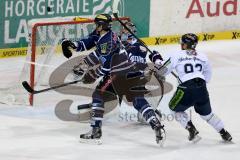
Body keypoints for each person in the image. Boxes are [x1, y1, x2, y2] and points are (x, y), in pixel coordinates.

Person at [61, 14, 165, 144]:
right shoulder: (110, 36)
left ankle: (95, 131)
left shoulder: (107, 42)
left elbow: (106, 67)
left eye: (97, 24)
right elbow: (93, 47)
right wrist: (75, 47)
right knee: (138, 100)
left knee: (98, 95)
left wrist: (92, 75)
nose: (95, 26)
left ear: (100, 25)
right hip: (131, 72)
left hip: (116, 75)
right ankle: (156, 124)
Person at [149, 33, 232, 142]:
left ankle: (191, 129)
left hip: (186, 89)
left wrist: (157, 60)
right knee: (207, 114)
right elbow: (207, 76)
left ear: (184, 45)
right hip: (202, 88)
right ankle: (224, 133)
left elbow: (162, 72)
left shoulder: (177, 55)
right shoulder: (203, 56)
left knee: (174, 109)